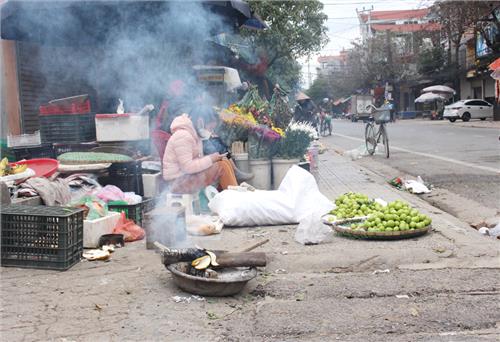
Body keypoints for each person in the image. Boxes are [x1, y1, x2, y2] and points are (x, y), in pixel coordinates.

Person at [162, 112, 238, 194]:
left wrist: (213, 158)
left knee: (224, 161)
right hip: (177, 182)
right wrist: (211, 159)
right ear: (197, 120)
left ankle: (236, 195)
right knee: (221, 165)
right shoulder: (182, 135)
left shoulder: (192, 134)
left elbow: (196, 161)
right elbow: (187, 167)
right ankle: (235, 199)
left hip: (185, 178)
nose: (207, 129)